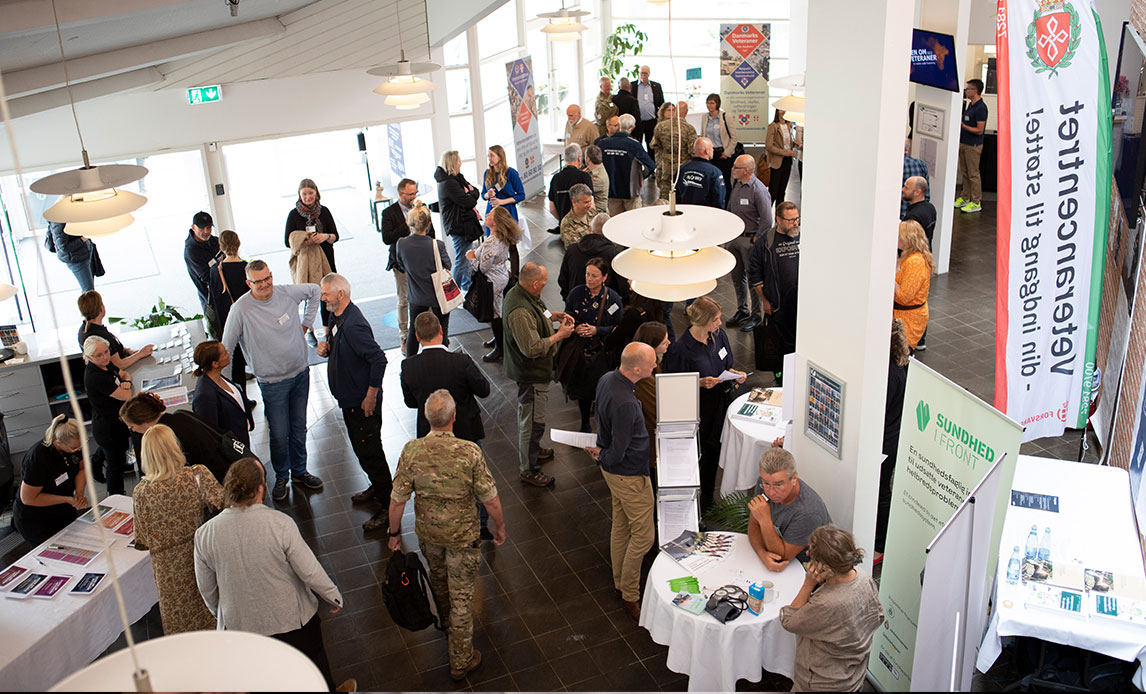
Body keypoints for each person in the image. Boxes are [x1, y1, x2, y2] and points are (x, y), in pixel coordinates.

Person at [387, 389, 507, 681]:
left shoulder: (411, 451)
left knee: (440, 584)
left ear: (428, 417)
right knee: (463, 595)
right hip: (463, 537)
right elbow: (490, 499)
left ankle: (448, 631)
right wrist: (499, 526)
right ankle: (461, 659)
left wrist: (393, 534)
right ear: (454, 417)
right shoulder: (469, 452)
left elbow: (397, 501)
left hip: (429, 535)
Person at [195, 458, 344, 690]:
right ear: (260, 489)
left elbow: (207, 588)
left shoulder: (205, 534)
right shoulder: (280, 524)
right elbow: (309, 570)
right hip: (292, 625)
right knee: (313, 676)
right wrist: (332, 595)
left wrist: (222, 613)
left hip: (242, 629)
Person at [221, 260, 324, 502]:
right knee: (279, 433)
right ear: (249, 283)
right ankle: (281, 476)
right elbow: (227, 347)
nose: (266, 284)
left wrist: (306, 324)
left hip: (300, 374)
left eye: (268, 278)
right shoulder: (240, 310)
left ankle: (299, 471)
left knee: (299, 427)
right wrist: (224, 385)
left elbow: (315, 291)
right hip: (272, 383)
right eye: (259, 281)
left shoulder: (286, 293)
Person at [401, 312, 494, 538]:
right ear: (441, 332)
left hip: (430, 433)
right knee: (476, 478)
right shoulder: (461, 362)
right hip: (466, 432)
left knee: (438, 480)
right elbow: (484, 390)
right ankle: (481, 525)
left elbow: (410, 402)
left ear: (417, 336)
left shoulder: (409, 366)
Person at [584, 342, 657, 621]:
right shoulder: (626, 403)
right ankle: (630, 594)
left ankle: (619, 581)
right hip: (629, 474)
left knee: (622, 525)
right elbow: (617, 451)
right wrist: (602, 455)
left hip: (615, 475)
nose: (655, 366)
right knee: (644, 536)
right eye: (652, 362)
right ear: (637, 368)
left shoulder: (608, 379)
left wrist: (601, 455)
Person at [315, 273, 391, 532]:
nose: (322, 297)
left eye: (326, 294)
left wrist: (370, 396)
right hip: (349, 399)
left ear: (341, 295)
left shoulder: (354, 324)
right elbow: (336, 341)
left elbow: (378, 359)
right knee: (364, 450)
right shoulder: (336, 316)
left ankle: (388, 506)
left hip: (361, 403)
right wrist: (327, 347)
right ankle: (376, 486)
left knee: (370, 452)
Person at [133, 424, 223, 634]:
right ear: (174, 446)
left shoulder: (141, 493)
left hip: (167, 571)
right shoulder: (197, 475)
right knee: (213, 610)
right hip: (201, 555)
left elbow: (142, 540)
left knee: (180, 625)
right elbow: (225, 504)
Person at [662, 296, 746, 510]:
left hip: (723, 400)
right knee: (703, 453)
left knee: (716, 450)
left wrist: (735, 374)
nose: (720, 323)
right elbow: (672, 384)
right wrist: (699, 382)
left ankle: (708, 497)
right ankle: (696, 502)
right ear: (703, 321)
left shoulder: (719, 336)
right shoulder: (682, 350)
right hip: (701, 407)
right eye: (716, 319)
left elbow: (728, 363)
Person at [779, 525, 884, 692]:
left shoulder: (827, 602)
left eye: (811, 554)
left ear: (824, 566)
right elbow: (878, 616)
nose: (807, 555)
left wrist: (809, 583)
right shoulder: (863, 577)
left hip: (822, 682)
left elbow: (788, 621)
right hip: (853, 675)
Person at [504, 263, 576, 487]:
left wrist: (551, 316)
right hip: (531, 374)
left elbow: (539, 311)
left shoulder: (525, 294)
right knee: (533, 422)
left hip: (533, 372)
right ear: (535, 283)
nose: (545, 286)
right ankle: (529, 468)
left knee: (531, 416)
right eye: (544, 283)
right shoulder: (520, 311)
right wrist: (560, 335)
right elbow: (532, 347)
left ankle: (533, 450)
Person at [559, 258, 624, 432]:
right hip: (580, 351)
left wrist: (597, 330)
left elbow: (618, 327)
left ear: (604, 277)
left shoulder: (613, 299)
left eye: (594, 275)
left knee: (603, 389)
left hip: (602, 352)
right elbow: (567, 317)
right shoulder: (576, 294)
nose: (589, 279)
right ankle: (585, 422)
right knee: (583, 390)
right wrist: (575, 327)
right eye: (587, 274)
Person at [120, 391, 239, 484]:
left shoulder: (164, 438)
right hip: (227, 467)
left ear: (144, 421)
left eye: (132, 426)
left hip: (216, 479)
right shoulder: (180, 415)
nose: (133, 431)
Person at [747, 448, 833, 570]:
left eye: (778, 485)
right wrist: (762, 553)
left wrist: (765, 520)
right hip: (779, 556)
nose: (771, 492)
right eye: (766, 484)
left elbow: (781, 558)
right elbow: (754, 525)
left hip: (810, 569)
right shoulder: (765, 483)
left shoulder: (808, 512)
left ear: (794, 479)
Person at [12, 415, 88, 546]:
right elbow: (29, 498)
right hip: (37, 518)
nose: (78, 450)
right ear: (58, 442)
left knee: (75, 545)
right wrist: (66, 499)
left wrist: (79, 493)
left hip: (64, 508)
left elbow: (81, 469)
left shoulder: (75, 446)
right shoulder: (37, 459)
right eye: (74, 448)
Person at [381, 178, 436, 353]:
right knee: (404, 299)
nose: (413, 197)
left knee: (427, 299)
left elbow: (432, 233)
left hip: (423, 262)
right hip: (401, 263)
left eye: (415, 193)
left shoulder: (422, 207)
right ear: (400, 194)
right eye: (410, 194)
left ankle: (429, 335)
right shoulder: (389, 213)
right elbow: (387, 238)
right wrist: (406, 226)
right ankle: (404, 336)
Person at [724, 154, 774, 333]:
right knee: (737, 277)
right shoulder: (737, 185)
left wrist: (757, 239)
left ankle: (756, 315)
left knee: (753, 279)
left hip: (749, 240)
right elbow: (730, 209)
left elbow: (767, 220)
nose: (732, 169)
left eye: (736, 167)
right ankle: (742, 310)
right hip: (734, 239)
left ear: (746, 170)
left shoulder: (758, 190)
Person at [396, 205, 453, 358]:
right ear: (428, 224)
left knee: (414, 330)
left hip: (416, 296)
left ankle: (410, 362)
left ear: (409, 222)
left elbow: (401, 265)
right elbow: (447, 265)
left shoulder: (401, 244)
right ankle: (442, 362)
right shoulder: (437, 245)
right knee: (442, 330)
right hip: (438, 296)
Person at [875, 319, 910, 561]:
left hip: (885, 442)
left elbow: (880, 410)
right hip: (893, 435)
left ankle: (880, 545)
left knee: (882, 494)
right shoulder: (900, 364)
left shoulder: (888, 374)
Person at [467, 206, 521, 362]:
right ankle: (497, 338)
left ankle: (500, 348)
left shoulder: (492, 242)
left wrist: (471, 258)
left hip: (492, 281)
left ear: (496, 223)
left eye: (491, 214)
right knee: (496, 311)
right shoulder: (500, 237)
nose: (487, 213)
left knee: (495, 313)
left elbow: (483, 267)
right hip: (500, 277)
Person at [749, 201, 802, 356]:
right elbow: (755, 274)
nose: (795, 224)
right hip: (778, 305)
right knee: (780, 344)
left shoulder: (803, 236)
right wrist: (765, 301)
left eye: (797, 219)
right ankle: (780, 376)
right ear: (778, 220)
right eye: (790, 220)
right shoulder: (765, 242)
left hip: (801, 304)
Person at [83, 336, 133, 495]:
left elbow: (125, 374)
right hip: (108, 427)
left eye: (106, 352)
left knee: (110, 450)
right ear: (89, 357)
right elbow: (126, 396)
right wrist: (126, 385)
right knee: (115, 465)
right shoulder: (95, 377)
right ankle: (116, 496)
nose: (105, 356)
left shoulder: (105, 364)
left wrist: (127, 383)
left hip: (115, 420)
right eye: (99, 355)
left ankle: (95, 463)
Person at [206, 229, 250, 389]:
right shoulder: (246, 268)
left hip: (228, 324)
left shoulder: (215, 271)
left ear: (221, 248)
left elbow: (215, 302)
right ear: (238, 244)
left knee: (235, 364)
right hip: (248, 323)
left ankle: (241, 398)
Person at [191, 340, 253, 450]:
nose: (228, 353)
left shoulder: (217, 377)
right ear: (215, 364)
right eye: (224, 353)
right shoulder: (205, 396)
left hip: (240, 439)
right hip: (231, 449)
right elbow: (211, 433)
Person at [435, 151, 481, 292]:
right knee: (462, 260)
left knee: (466, 259)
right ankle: (453, 293)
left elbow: (476, 191)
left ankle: (466, 289)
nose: (461, 163)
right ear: (453, 163)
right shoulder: (449, 183)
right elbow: (468, 201)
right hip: (459, 226)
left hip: (463, 224)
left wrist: (471, 194)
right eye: (459, 161)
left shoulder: (456, 179)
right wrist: (471, 194)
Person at [629, 322, 670, 474]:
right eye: (664, 341)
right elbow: (657, 409)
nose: (669, 342)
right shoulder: (644, 377)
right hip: (649, 443)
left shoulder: (647, 366)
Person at [76, 290, 154, 370]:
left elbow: (115, 348)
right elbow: (118, 365)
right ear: (101, 308)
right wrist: (141, 354)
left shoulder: (84, 329)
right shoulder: (98, 335)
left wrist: (131, 352)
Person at [559, 213, 624, 301]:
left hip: (575, 303)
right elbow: (622, 285)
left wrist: (568, 299)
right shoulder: (614, 254)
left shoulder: (572, 250)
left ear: (590, 229)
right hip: (605, 305)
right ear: (610, 231)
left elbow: (563, 279)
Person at [600, 114, 655, 216]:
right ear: (633, 127)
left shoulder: (603, 143)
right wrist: (640, 177)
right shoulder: (634, 145)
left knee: (613, 223)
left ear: (619, 125)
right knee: (634, 222)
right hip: (631, 192)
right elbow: (651, 166)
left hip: (611, 190)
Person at [894, 220, 934, 350]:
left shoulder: (914, 262)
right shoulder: (910, 257)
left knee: (900, 358)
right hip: (905, 317)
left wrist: (888, 277)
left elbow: (904, 296)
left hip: (908, 321)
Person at [184, 211, 222, 338]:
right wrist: (223, 266)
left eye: (209, 227)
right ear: (193, 227)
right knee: (219, 337)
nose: (206, 231)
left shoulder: (216, 241)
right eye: (202, 228)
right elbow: (207, 277)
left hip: (225, 296)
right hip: (211, 302)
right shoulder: (191, 251)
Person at [650, 102, 697, 203]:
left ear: (675, 111)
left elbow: (654, 145)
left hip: (666, 167)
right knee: (683, 196)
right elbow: (692, 151)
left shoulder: (661, 126)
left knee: (665, 197)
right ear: (686, 112)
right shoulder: (690, 129)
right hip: (683, 168)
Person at [955, 79, 988, 214]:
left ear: (975, 90)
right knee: (965, 172)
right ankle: (965, 196)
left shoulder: (981, 108)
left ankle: (975, 201)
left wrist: (963, 126)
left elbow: (980, 130)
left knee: (973, 173)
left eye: (968, 89)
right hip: (964, 143)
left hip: (973, 146)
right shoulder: (970, 106)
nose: (966, 91)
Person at [547, 144, 593, 234]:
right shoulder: (584, 177)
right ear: (579, 159)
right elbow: (591, 205)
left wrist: (563, 220)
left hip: (564, 228)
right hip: (582, 227)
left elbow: (552, 209)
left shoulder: (555, 178)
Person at [700, 93, 739, 197]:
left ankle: (727, 203)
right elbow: (703, 135)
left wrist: (727, 153)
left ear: (717, 104)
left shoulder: (725, 117)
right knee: (710, 180)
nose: (709, 105)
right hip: (709, 154)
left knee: (724, 180)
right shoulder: (705, 117)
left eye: (712, 103)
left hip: (722, 154)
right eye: (708, 103)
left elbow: (734, 138)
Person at [675, 137, 725, 208]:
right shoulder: (714, 172)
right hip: (706, 214)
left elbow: (675, 194)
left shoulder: (681, 169)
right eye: (712, 148)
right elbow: (719, 199)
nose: (713, 150)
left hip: (685, 212)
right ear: (707, 151)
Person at [481, 144, 526, 223]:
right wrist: (488, 194)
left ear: (500, 157)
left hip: (507, 212)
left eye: (492, 156)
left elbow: (521, 195)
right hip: (491, 212)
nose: (489, 158)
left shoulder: (511, 173)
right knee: (492, 235)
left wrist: (502, 202)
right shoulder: (487, 173)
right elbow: (483, 195)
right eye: (488, 156)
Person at [765, 110, 799, 207]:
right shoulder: (773, 126)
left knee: (782, 191)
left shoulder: (789, 125)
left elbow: (788, 143)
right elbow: (769, 146)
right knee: (773, 191)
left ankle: (779, 218)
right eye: (781, 109)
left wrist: (796, 144)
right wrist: (786, 152)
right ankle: (767, 215)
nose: (783, 111)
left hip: (787, 161)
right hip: (777, 162)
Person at [48, 222, 94, 292]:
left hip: (84, 253)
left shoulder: (69, 216)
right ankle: (91, 303)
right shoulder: (58, 222)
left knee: (89, 286)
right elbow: (63, 247)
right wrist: (83, 239)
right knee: (88, 291)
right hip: (76, 259)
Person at [632, 65, 665, 154]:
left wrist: (660, 117)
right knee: (637, 145)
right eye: (641, 73)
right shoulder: (632, 86)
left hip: (651, 121)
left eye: (645, 73)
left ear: (649, 74)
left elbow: (662, 103)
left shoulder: (656, 86)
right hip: (637, 122)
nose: (643, 75)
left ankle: (651, 166)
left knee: (651, 146)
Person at [559, 183, 599, 249]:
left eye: (590, 201)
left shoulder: (592, 212)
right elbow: (575, 249)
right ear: (574, 202)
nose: (589, 205)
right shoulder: (568, 224)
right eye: (586, 202)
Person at [901, 175, 936, 246]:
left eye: (906, 188)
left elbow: (907, 244)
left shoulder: (913, 216)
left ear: (917, 192)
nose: (902, 189)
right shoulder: (931, 208)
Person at [901, 138, 930, 219]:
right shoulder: (921, 164)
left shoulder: (895, 166)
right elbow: (926, 192)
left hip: (900, 213)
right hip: (917, 212)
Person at [584, 144, 610, 213]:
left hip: (598, 214)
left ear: (588, 159)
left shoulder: (599, 178)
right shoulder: (592, 170)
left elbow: (583, 191)